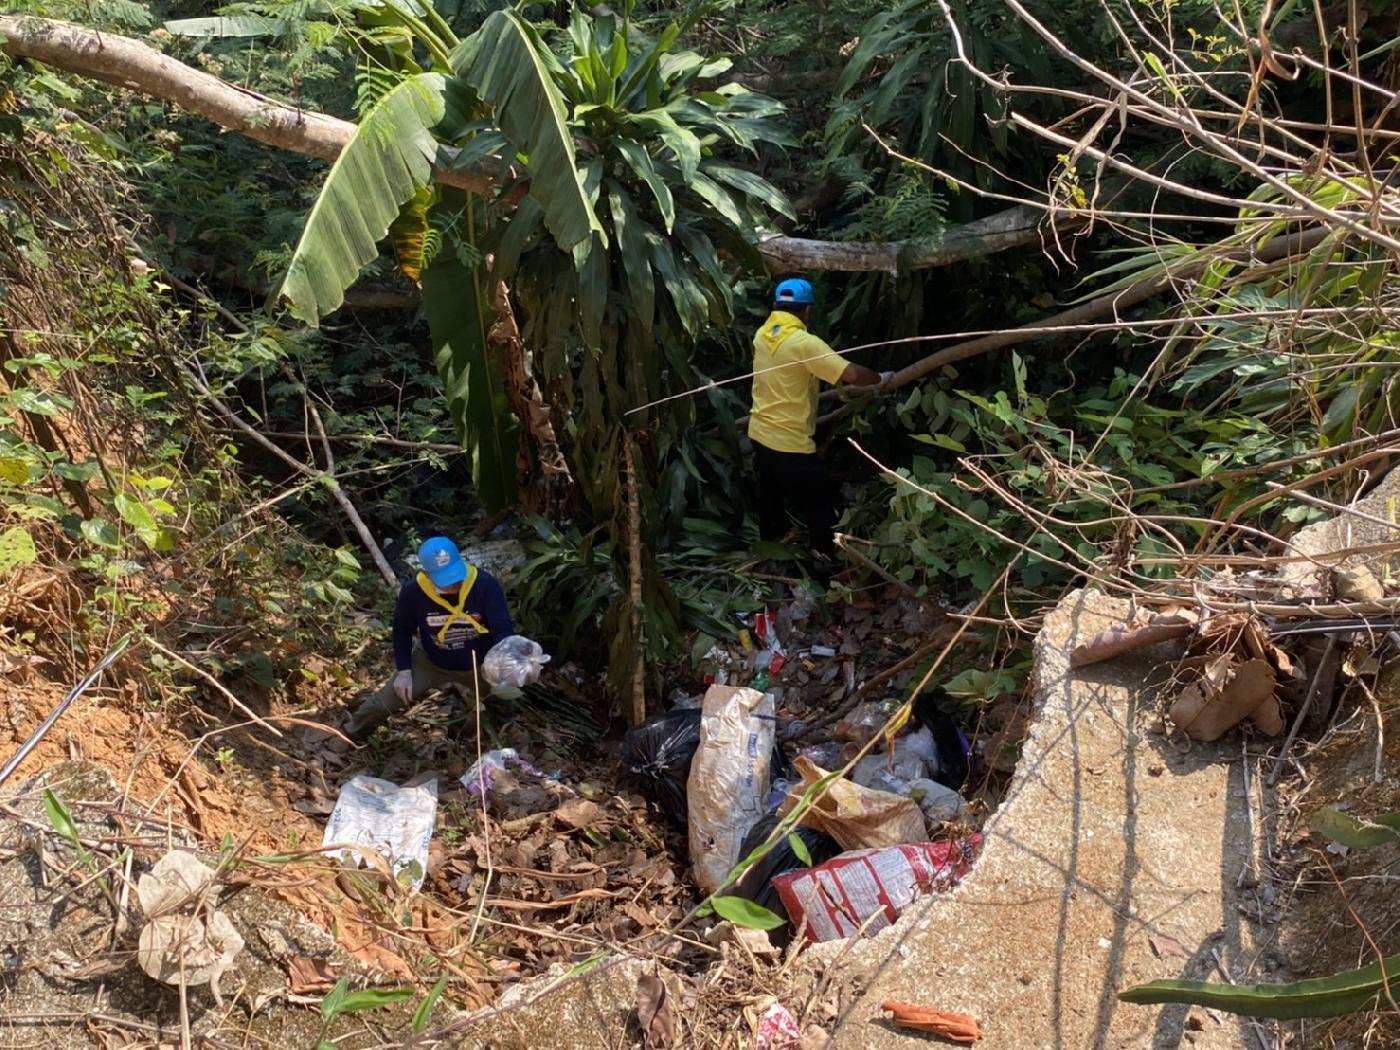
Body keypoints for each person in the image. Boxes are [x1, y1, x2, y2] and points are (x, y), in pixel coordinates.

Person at [747, 277, 891, 567]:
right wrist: (880, 379)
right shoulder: (805, 344)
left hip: (760, 433)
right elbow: (851, 375)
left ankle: (771, 554)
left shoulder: (762, 335)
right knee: (821, 508)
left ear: (776, 306)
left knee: (770, 498)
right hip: (790, 443)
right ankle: (823, 563)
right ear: (808, 311)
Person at [346, 536, 516, 742]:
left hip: (479, 664)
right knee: (383, 703)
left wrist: (508, 651)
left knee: (503, 700)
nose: (454, 584)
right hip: (430, 662)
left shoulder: (484, 584)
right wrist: (404, 671)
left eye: (456, 575)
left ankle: (499, 736)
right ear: (426, 574)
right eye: (446, 579)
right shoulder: (413, 592)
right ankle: (350, 734)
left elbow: (501, 625)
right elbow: (402, 629)